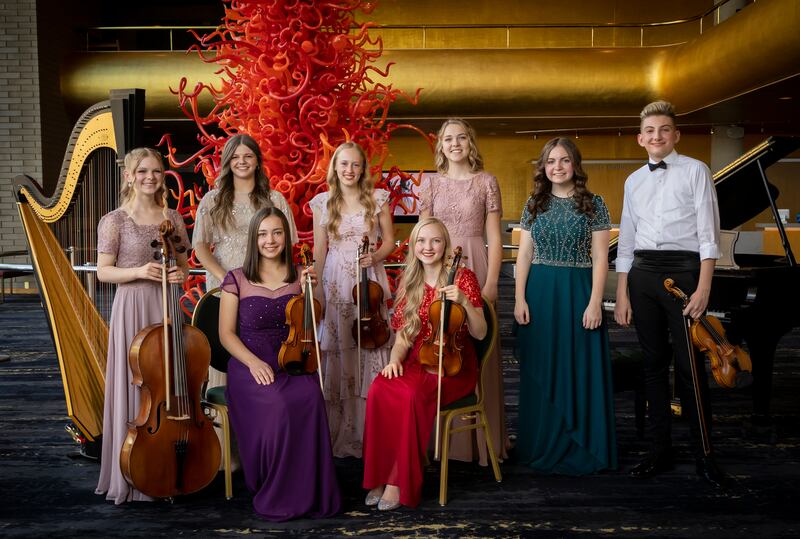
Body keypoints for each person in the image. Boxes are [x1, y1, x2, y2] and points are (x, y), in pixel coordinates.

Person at [614, 100, 724, 487]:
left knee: (690, 368)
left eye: (664, 129)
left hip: (685, 273)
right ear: (640, 138)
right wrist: (623, 292)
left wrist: (704, 286)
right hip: (642, 275)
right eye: (650, 131)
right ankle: (659, 450)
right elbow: (627, 239)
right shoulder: (633, 181)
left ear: (675, 135)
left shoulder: (696, 170)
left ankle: (705, 455)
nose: (657, 136)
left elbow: (709, 234)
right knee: (653, 365)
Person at [218, 206, 341, 520]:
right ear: (254, 239)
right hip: (249, 364)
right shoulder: (237, 278)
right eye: (262, 234)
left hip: (291, 358)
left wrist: (312, 290)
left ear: (286, 236)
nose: (270, 240)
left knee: (311, 397)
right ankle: (276, 490)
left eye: (276, 232)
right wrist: (253, 363)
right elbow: (226, 335)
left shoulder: (300, 275)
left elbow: (312, 322)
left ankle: (308, 491)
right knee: (279, 405)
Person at [362, 217, 487, 510]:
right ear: (413, 245)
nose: (427, 247)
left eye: (435, 241)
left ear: (445, 245)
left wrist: (464, 302)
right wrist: (394, 360)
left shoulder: (463, 277)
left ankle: (398, 480)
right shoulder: (410, 281)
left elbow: (481, 333)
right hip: (417, 359)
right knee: (379, 388)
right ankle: (379, 475)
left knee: (410, 395)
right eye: (421, 241)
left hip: (453, 365)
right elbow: (404, 337)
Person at [513, 137, 617, 475]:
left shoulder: (594, 204)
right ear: (543, 167)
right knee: (543, 365)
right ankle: (541, 442)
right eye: (551, 161)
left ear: (575, 164)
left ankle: (580, 444)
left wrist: (595, 302)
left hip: (578, 292)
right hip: (540, 293)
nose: (557, 167)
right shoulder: (534, 204)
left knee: (578, 366)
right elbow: (524, 255)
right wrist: (519, 298)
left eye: (564, 160)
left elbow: (601, 257)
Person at [193, 133, 299, 455]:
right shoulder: (213, 200)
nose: (242, 162)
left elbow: (287, 246)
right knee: (228, 360)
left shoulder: (273, 198)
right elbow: (201, 247)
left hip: (267, 291)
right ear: (227, 162)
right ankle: (229, 454)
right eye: (235, 157)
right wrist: (227, 279)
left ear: (257, 161)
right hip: (225, 289)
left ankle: (265, 445)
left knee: (263, 359)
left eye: (248, 156)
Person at [95, 148, 190, 504]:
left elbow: (183, 265)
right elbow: (103, 272)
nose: (151, 177)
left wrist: (178, 275)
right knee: (136, 383)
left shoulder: (172, 217)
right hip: (132, 305)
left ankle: (167, 467)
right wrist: (138, 271)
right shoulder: (115, 220)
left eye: (157, 171)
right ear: (129, 176)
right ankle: (132, 472)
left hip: (165, 305)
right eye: (143, 171)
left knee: (166, 383)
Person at [418, 118, 508, 465]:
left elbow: (495, 238)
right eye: (448, 139)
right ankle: (441, 443)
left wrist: (491, 282)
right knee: (439, 342)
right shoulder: (430, 183)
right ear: (440, 146)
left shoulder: (486, 181)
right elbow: (422, 234)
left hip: (476, 262)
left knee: (479, 346)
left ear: (470, 143)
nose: (454, 144)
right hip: (436, 265)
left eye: (461, 138)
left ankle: (484, 443)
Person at [309, 141, 394, 458]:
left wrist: (376, 257)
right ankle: (340, 433)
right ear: (335, 167)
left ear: (363, 169)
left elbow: (390, 241)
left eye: (355, 164)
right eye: (343, 164)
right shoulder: (322, 202)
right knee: (339, 347)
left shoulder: (378, 198)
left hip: (367, 280)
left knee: (369, 345)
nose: (349, 169)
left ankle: (371, 431)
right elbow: (320, 250)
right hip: (334, 282)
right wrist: (317, 289)